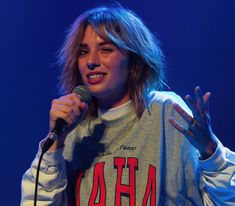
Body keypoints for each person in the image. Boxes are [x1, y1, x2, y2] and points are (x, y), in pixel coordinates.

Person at [21, 5, 235, 206]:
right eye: (83, 51)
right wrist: (55, 142)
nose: (91, 61)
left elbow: (225, 200)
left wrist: (210, 152)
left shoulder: (167, 112)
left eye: (105, 49)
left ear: (134, 60)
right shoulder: (72, 125)